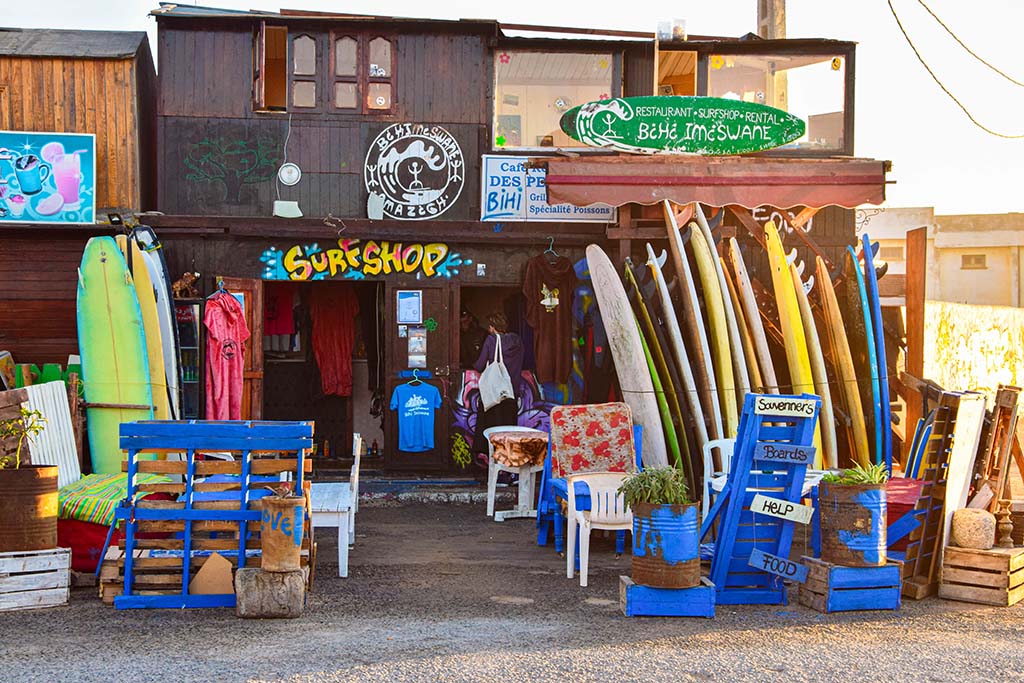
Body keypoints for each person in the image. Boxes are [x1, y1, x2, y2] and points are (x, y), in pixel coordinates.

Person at [471, 312, 525, 458]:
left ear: (493, 327)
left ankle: (495, 466)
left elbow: (480, 365)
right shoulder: (517, 340)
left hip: (494, 394)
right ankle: (509, 466)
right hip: (511, 392)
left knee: (491, 431)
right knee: (508, 432)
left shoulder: (491, 340)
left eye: (490, 326)